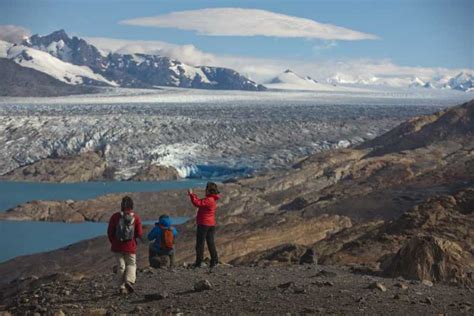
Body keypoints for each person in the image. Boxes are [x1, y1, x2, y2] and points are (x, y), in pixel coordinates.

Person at [107, 196, 143, 294]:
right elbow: (139, 233)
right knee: (131, 264)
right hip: (130, 246)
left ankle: (121, 287)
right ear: (132, 205)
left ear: (122, 205)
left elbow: (110, 232)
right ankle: (129, 281)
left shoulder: (115, 217)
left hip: (117, 246)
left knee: (121, 266)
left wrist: (114, 242)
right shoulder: (136, 217)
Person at [188, 182, 220, 269]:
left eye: (206, 190)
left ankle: (199, 262)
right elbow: (200, 202)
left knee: (200, 244)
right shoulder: (212, 200)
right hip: (211, 224)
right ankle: (214, 260)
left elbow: (197, 203)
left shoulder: (209, 200)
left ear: (209, 191)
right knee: (210, 243)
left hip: (204, 224)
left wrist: (191, 194)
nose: (205, 191)